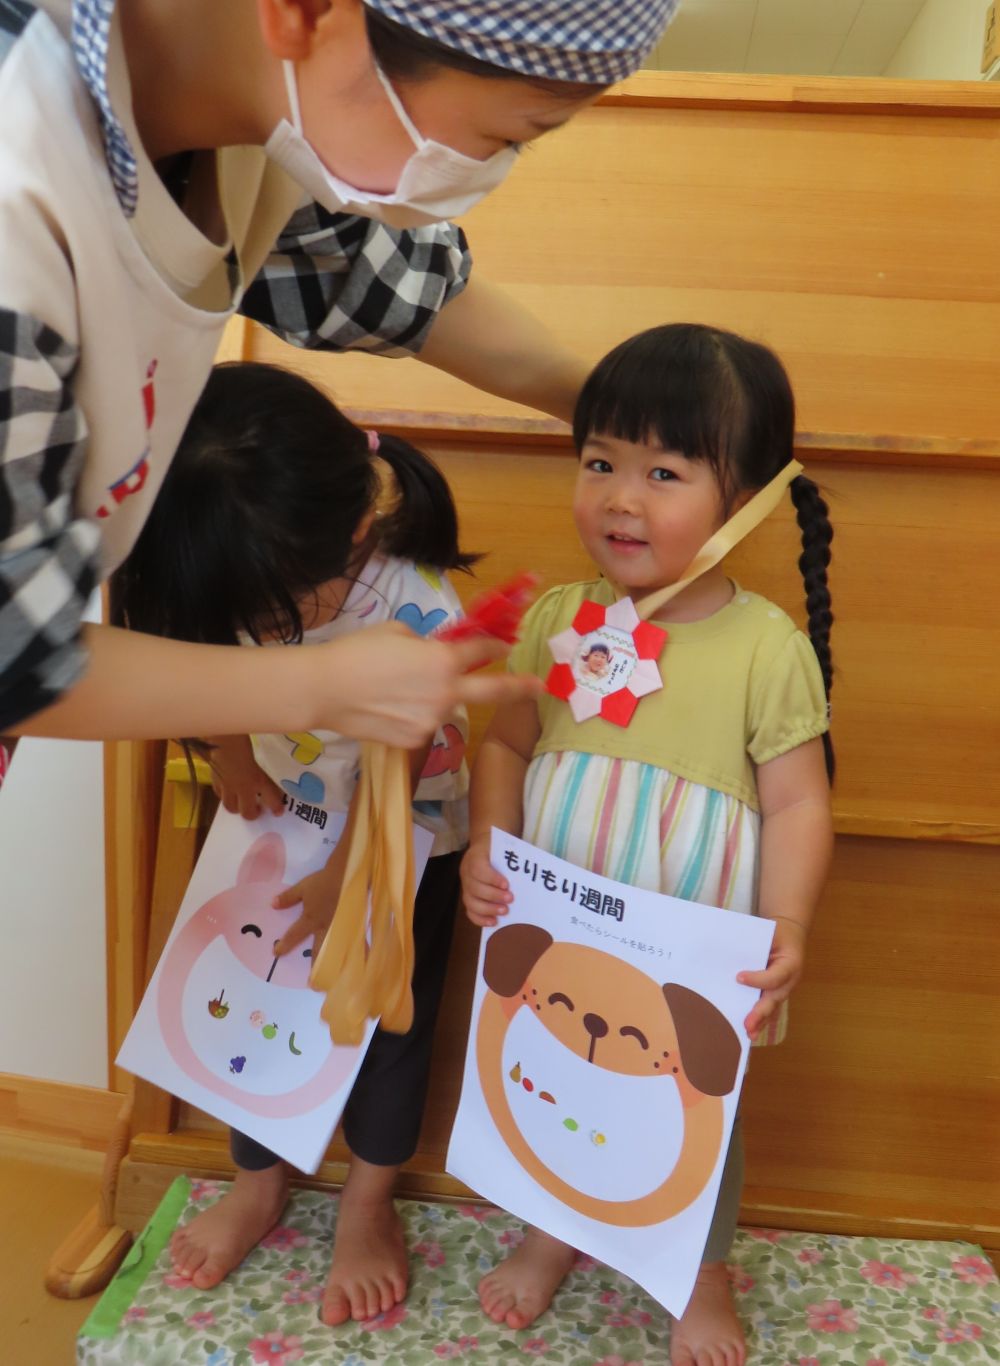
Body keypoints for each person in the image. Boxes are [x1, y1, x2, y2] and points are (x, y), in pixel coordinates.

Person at [0, 0, 679, 749]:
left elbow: (385, 284)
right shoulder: (18, 204)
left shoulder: (251, 119)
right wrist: (320, 688)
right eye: (504, 136)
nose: (489, 172)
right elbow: (13, 654)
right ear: (307, 12)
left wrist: (609, 410)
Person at [460, 323, 835, 1366]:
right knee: (556, 1075)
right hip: (560, 933)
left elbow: (801, 805)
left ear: (747, 495)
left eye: (663, 471)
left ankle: (697, 1273)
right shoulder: (553, 617)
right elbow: (503, 742)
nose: (620, 497)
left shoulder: (766, 647)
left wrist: (790, 924)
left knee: (691, 1114)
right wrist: (488, 848)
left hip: (693, 958)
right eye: (599, 462)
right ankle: (553, 1232)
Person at [114, 358, 478, 1324]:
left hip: (400, 849)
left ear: (352, 533)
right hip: (276, 829)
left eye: (275, 613)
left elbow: (414, 770)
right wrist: (229, 754)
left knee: (386, 1026)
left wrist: (351, 887)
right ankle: (259, 1179)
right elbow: (192, 659)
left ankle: (367, 1200)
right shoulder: (224, 560)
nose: (255, 629)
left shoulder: (418, 613)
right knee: (253, 1000)